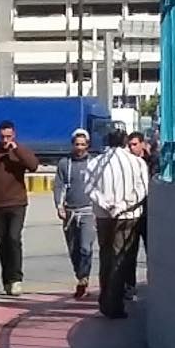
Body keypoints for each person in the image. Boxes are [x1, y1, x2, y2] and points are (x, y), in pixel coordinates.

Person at [85, 130, 149, 320]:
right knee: (121, 259)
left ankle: (106, 301)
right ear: (124, 142)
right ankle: (115, 304)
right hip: (128, 216)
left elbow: (89, 187)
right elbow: (142, 189)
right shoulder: (137, 162)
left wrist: (106, 204)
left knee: (106, 257)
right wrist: (122, 206)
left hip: (104, 216)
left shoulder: (95, 163)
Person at [0, 120, 39, 296]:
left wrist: (16, 150)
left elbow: (33, 166)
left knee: (13, 238)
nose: (5, 140)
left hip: (17, 202)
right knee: (2, 243)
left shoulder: (20, 151)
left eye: (8, 137)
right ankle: (7, 280)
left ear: (14, 135)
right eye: (3, 137)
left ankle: (16, 279)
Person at [53, 129, 95, 300]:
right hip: (70, 213)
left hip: (88, 211)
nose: (80, 148)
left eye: (83, 145)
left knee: (86, 247)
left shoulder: (94, 163)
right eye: (77, 144)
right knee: (73, 249)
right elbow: (59, 186)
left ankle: (83, 279)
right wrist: (59, 206)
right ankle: (79, 274)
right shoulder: (64, 164)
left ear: (88, 145)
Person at [127, 130, 154, 273]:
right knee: (130, 253)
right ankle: (129, 290)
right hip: (133, 213)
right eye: (130, 145)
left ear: (142, 144)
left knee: (152, 250)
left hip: (149, 213)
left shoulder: (153, 161)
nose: (132, 148)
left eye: (135, 144)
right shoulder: (127, 164)